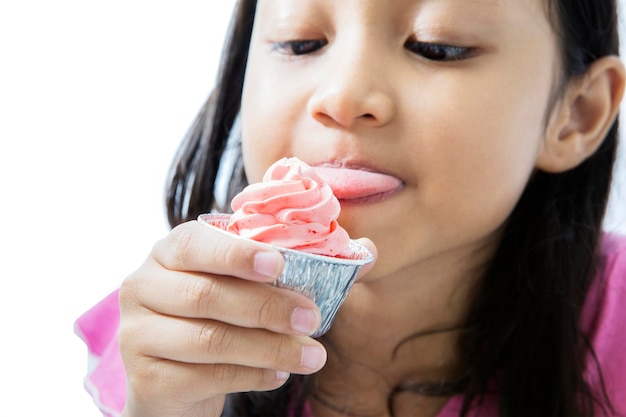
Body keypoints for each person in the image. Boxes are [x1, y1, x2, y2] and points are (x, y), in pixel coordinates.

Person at [75, 0, 626, 416]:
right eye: (300, 43)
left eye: (436, 47)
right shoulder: (176, 327)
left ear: (576, 114)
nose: (343, 96)